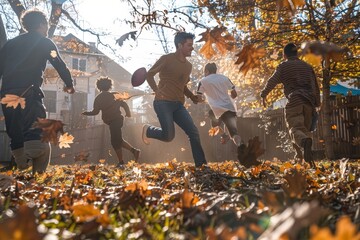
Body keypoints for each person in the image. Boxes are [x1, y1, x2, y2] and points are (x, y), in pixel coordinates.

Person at [0, 9, 75, 173]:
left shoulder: (9, 45)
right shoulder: (45, 42)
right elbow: (59, 64)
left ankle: (21, 166)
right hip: (28, 92)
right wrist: (69, 84)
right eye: (46, 24)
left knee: (15, 133)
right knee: (36, 132)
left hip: (7, 95)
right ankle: (37, 174)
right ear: (42, 24)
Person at [142, 31, 207, 168]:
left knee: (193, 132)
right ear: (180, 45)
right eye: (189, 45)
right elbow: (149, 75)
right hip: (163, 103)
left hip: (178, 104)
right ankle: (148, 130)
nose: (192, 48)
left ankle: (201, 165)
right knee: (169, 136)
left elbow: (182, 85)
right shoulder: (166, 59)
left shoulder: (188, 66)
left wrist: (192, 97)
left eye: (192, 45)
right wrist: (156, 91)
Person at [260, 43, 321, 168]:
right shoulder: (307, 67)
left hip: (294, 101)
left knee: (295, 129)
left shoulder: (284, 66)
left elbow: (273, 80)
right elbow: (315, 86)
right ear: (297, 54)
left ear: (284, 55)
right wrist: (317, 103)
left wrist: (264, 94)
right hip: (309, 103)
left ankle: (304, 148)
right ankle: (305, 161)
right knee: (305, 131)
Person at [82, 77, 140, 167]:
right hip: (118, 120)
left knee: (114, 141)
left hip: (113, 121)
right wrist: (128, 113)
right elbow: (124, 104)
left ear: (99, 87)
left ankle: (121, 162)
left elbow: (95, 112)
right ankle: (134, 151)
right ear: (110, 86)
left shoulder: (98, 98)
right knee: (119, 140)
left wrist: (86, 113)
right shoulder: (114, 95)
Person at [196, 62, 242, 147]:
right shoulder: (224, 78)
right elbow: (234, 94)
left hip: (216, 110)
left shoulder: (203, 81)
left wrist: (203, 100)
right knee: (233, 133)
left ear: (206, 71)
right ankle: (239, 144)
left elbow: (199, 98)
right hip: (230, 108)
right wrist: (230, 96)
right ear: (215, 70)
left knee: (214, 125)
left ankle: (224, 135)